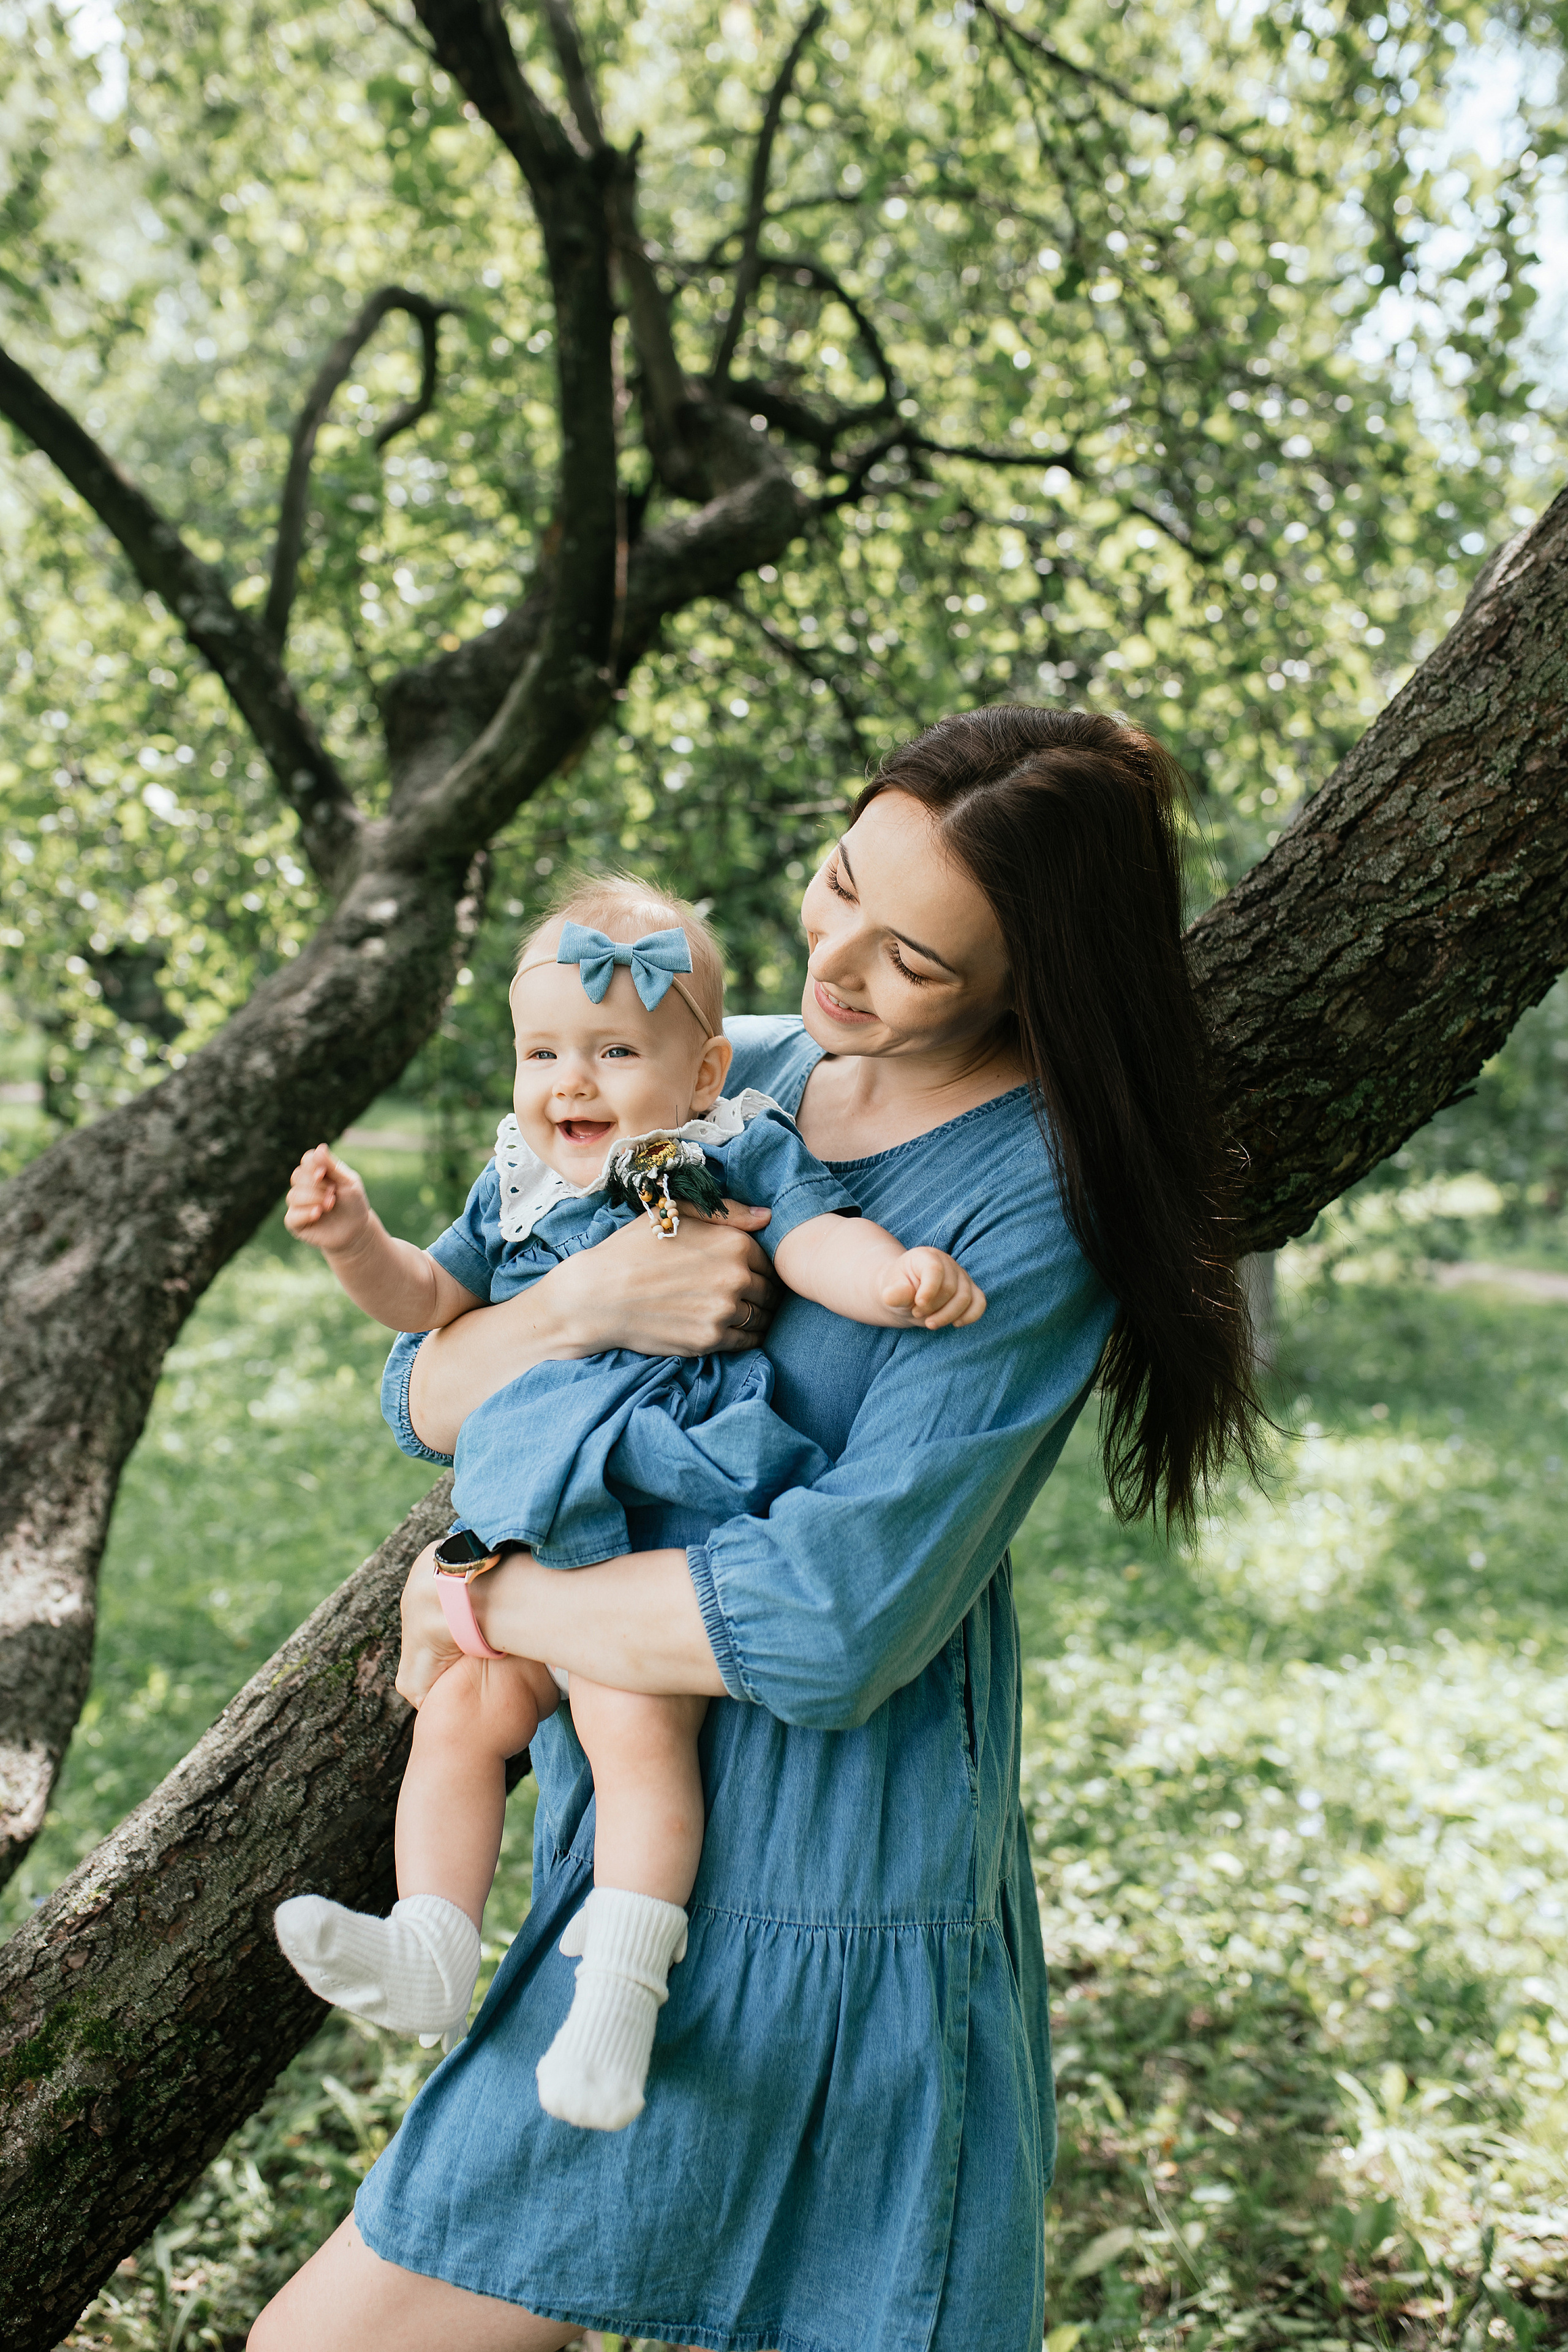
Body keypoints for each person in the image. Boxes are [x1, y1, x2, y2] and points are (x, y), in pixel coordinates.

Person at [251, 706, 1264, 2352]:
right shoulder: (745, 1071)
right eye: (838, 885)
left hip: (828, 1880)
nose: (835, 967)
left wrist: (489, 1607)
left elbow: (830, 1620)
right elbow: (426, 1394)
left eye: (910, 960)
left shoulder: (1025, 1203)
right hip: (617, 1849)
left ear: (1032, 986)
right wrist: (587, 1302)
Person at [271, 874, 983, 2131]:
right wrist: (352, 1245)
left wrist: (894, 1280)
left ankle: (618, 2010)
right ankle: (431, 1947)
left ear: (702, 1072)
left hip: (650, 1519)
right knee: (462, 1716)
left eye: (613, 1052)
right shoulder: (516, 1186)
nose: (571, 1084)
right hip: (530, 1518)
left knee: (629, 1733)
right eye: (542, 1052)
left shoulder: (731, 1147)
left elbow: (811, 1237)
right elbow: (429, 1306)